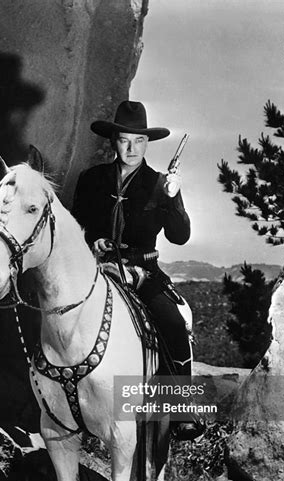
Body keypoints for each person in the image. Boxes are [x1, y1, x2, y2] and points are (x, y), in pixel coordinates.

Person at [72, 100, 201, 440]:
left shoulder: (160, 183)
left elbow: (180, 236)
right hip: (96, 271)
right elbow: (76, 226)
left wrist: (173, 198)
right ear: (113, 141)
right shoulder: (91, 179)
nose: (131, 148)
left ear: (147, 144)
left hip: (142, 274)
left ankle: (180, 410)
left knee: (172, 322)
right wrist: (94, 240)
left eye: (138, 141)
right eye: (124, 140)